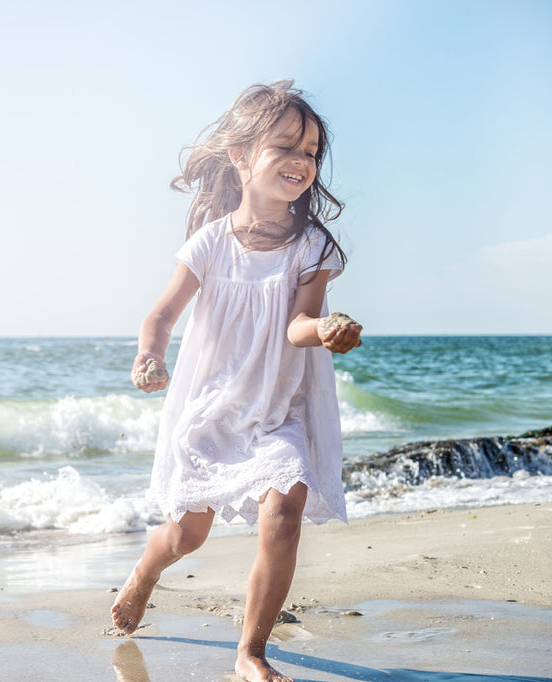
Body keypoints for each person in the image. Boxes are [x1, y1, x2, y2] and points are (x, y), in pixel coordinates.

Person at [111, 80, 363, 682]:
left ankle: (251, 652)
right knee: (186, 535)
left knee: (285, 509)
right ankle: (145, 573)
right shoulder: (210, 243)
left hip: (280, 408)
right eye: (285, 147)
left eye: (311, 152)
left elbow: (296, 324)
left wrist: (326, 327)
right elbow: (161, 315)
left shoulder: (312, 244)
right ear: (241, 156)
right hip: (212, 406)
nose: (301, 161)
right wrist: (150, 357)